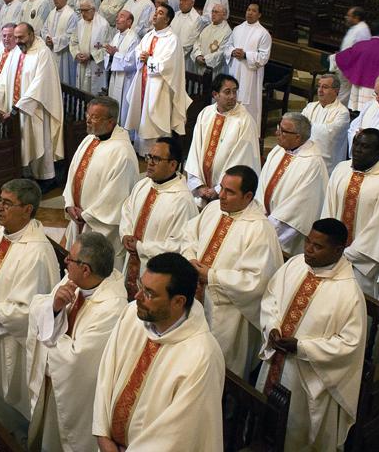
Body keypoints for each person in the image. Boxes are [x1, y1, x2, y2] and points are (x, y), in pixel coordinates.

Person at [93, 253, 225, 451]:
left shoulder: (202, 355)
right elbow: (106, 373)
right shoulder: (132, 316)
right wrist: (102, 434)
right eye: (141, 286)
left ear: (178, 302)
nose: (137, 297)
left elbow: (178, 435)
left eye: (149, 293)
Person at [256, 218, 367, 452]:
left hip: (306, 377)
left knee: (294, 434)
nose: (308, 249)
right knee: (264, 421)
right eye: (308, 241)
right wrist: (272, 326)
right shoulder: (295, 264)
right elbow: (271, 298)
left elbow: (349, 345)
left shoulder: (349, 293)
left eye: (318, 246)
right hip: (276, 361)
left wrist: (301, 347)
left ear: (338, 250)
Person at [0, 179, 60, 419]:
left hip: (6, 341)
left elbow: (28, 313)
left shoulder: (36, 253)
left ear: (27, 209)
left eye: (7, 204)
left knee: (0, 406)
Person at [27, 232, 128, 452]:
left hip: (75, 395)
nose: (66, 261)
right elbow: (39, 305)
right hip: (54, 384)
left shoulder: (112, 308)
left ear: (86, 269)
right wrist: (55, 307)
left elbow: (76, 361)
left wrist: (47, 337)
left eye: (70, 259)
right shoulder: (76, 279)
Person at [183, 165, 281, 378]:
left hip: (229, 314)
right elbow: (190, 234)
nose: (221, 196)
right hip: (196, 298)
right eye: (222, 188)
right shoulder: (213, 209)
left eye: (230, 192)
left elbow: (257, 282)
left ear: (248, 196)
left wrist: (211, 276)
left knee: (218, 370)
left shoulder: (259, 229)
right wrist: (191, 258)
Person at [322, 129, 379, 295]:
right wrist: (327, 242)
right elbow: (328, 207)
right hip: (331, 252)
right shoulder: (341, 169)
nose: (357, 150)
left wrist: (348, 253)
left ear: (378, 153)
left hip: (362, 262)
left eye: (364, 146)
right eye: (356, 143)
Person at [63, 96, 139, 258]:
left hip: (99, 227)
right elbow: (73, 174)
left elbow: (114, 198)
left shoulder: (123, 153)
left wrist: (85, 216)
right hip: (77, 218)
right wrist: (69, 204)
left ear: (111, 122)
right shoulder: (89, 139)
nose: (88, 120)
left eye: (95, 117)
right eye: (88, 115)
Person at [0, 23, 64, 183]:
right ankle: (24, 174)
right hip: (16, 108)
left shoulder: (43, 53)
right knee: (22, 143)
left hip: (35, 109)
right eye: (15, 38)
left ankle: (44, 179)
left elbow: (39, 85)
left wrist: (19, 107)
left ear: (31, 34)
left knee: (39, 142)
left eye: (21, 37)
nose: (17, 41)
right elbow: (3, 78)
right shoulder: (16, 51)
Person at [119, 137, 197, 289]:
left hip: (158, 276)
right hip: (132, 262)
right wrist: (126, 234)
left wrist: (141, 247)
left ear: (173, 165)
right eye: (149, 157)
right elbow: (127, 210)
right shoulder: (143, 185)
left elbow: (179, 244)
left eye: (156, 159)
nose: (150, 162)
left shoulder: (182, 200)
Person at [184, 75, 262, 208]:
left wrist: (218, 189)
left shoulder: (245, 121)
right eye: (227, 92)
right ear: (215, 94)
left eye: (235, 91)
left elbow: (242, 160)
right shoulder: (205, 113)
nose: (232, 96)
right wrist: (198, 185)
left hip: (228, 193)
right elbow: (194, 152)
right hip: (202, 189)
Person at [123, 4, 190, 155]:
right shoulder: (149, 35)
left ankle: (157, 153)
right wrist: (140, 57)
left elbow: (168, 65)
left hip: (160, 87)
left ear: (167, 19)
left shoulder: (172, 39)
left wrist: (149, 60)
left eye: (160, 13)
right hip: (143, 82)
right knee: (142, 115)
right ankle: (141, 150)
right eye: (155, 12)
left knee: (156, 117)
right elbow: (138, 51)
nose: (155, 15)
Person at [259, 112, 329, 257]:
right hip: (263, 222)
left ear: (298, 137)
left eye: (283, 131)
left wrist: (266, 232)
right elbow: (262, 187)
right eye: (279, 127)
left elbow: (297, 208)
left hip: (285, 237)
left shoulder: (312, 163)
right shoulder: (278, 150)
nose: (277, 133)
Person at [225, 2, 271, 128]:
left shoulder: (263, 33)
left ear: (259, 15)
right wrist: (233, 51)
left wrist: (246, 55)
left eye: (254, 11)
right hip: (235, 70)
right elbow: (228, 46)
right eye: (248, 9)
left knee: (247, 105)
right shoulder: (237, 29)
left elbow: (264, 57)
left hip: (250, 75)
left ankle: (247, 131)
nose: (250, 13)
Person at [301, 73, 351, 174]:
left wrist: (307, 126)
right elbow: (299, 127)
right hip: (305, 157)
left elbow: (329, 134)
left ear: (336, 90)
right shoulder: (310, 107)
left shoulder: (342, 112)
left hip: (328, 163)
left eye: (325, 87)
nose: (320, 90)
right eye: (319, 86)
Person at [331, 7, 371, 105]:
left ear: (356, 17)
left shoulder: (362, 30)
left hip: (350, 68)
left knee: (344, 95)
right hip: (346, 65)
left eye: (349, 16)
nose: (346, 18)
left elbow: (359, 51)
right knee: (343, 93)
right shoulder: (357, 28)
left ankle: (335, 111)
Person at [70, 0, 111, 94]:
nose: (83, 14)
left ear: (93, 9)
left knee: (95, 91)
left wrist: (91, 56)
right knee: (81, 91)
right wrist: (77, 54)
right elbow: (73, 42)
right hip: (82, 64)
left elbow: (107, 48)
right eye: (81, 10)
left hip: (95, 65)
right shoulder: (80, 23)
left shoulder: (103, 25)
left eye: (86, 10)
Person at [105, 10, 139, 120]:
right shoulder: (116, 36)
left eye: (121, 16)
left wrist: (115, 54)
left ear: (129, 22)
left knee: (123, 109)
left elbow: (131, 63)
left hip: (126, 80)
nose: (117, 19)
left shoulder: (134, 38)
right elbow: (110, 56)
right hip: (115, 77)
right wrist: (110, 55)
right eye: (117, 16)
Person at [42, 0, 79, 86]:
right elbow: (44, 29)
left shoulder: (71, 15)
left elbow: (72, 35)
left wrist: (53, 41)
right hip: (51, 51)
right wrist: (47, 38)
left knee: (63, 79)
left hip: (64, 54)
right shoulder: (52, 12)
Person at [191, 2, 231, 77]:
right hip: (199, 65)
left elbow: (222, 52)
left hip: (215, 69)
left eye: (216, 12)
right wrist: (198, 55)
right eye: (212, 11)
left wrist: (205, 60)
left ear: (224, 15)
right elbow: (197, 43)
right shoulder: (207, 28)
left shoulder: (227, 32)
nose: (213, 14)